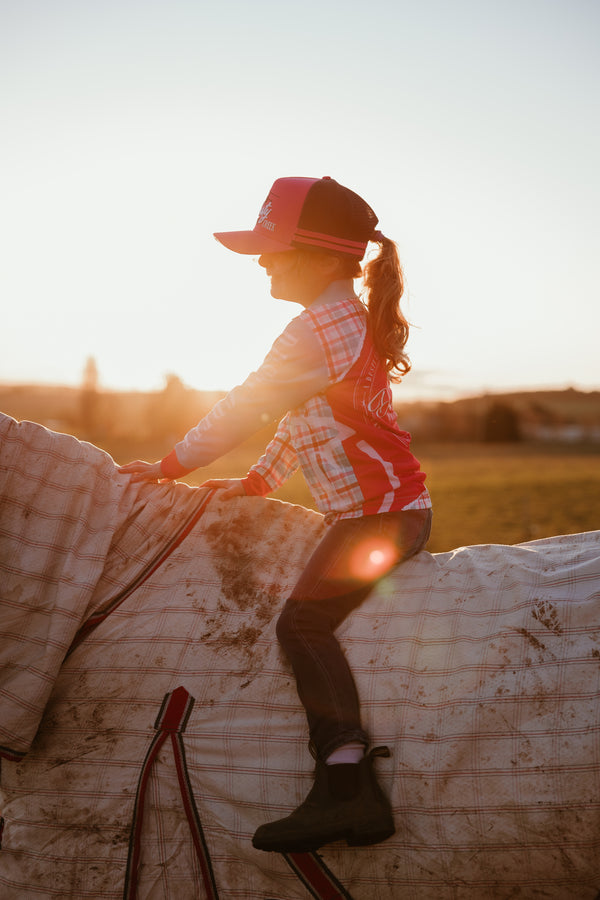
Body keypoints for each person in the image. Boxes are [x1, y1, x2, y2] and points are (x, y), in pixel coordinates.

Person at [118, 176, 432, 853]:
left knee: (304, 620)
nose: (261, 260)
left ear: (319, 256)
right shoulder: (339, 322)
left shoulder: (316, 330)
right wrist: (261, 478)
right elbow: (300, 418)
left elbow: (250, 402)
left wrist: (172, 465)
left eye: (271, 248)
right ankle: (346, 785)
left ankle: (347, 786)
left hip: (380, 517)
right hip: (383, 511)